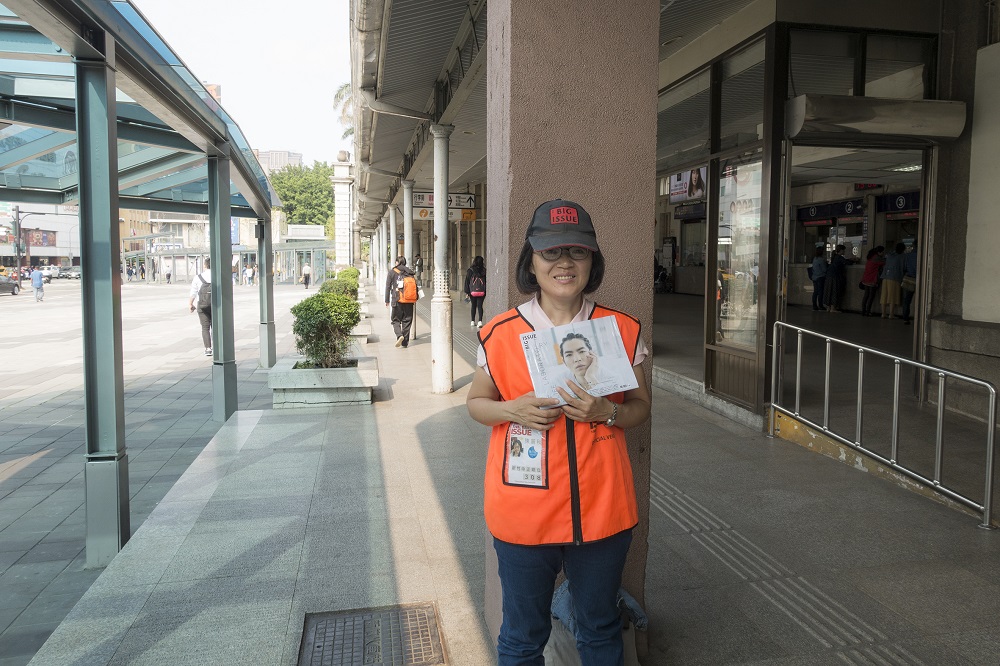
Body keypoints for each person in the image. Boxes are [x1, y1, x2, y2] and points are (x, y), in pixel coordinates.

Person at [466, 199, 652, 665]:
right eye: (551, 252)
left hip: (603, 509)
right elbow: (476, 404)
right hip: (523, 510)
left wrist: (607, 411)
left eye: (578, 252)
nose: (565, 263)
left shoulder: (620, 331)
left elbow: (640, 409)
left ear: (593, 260)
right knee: (521, 635)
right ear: (531, 260)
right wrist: (512, 409)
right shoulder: (500, 332)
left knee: (599, 627)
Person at [385, 256, 416, 348]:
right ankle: (405, 342)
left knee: (395, 320)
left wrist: (387, 300)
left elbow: (387, 287)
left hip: (397, 299)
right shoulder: (410, 272)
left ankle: (399, 335)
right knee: (407, 320)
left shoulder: (392, 272)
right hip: (409, 300)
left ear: (396, 262)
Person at [188, 258, 213, 357]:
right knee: (216, 327)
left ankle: (208, 349)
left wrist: (190, 304)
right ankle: (219, 347)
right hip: (216, 305)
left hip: (202, 304)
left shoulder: (198, 277)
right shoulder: (218, 275)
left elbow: (193, 292)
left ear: (205, 265)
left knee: (205, 327)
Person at [880, 242, 906, 319]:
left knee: (884, 295)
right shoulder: (902, 256)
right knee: (892, 296)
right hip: (895, 278)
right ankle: (891, 314)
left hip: (885, 277)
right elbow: (902, 268)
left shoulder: (889, 255)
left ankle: (883, 313)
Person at [860, 246, 885, 317]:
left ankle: (863, 311)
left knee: (866, 295)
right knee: (871, 296)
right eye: (882, 252)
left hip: (866, 278)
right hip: (872, 279)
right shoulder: (877, 258)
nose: (883, 253)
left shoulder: (870, 256)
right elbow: (885, 263)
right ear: (879, 252)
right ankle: (868, 311)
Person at [824, 244, 849, 313]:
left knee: (829, 291)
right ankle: (833, 308)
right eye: (844, 250)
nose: (844, 251)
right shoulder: (839, 257)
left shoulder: (834, 257)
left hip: (829, 276)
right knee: (834, 291)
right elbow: (846, 262)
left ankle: (828, 307)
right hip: (835, 276)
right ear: (841, 250)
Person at [465, 255, 487, 328]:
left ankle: (472, 321)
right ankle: (480, 321)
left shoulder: (470, 270)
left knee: (473, 306)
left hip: (472, 291)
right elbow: (486, 282)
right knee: (480, 306)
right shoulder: (484, 271)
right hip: (482, 291)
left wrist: (467, 292)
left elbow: (467, 281)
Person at [901, 243, 918, 325]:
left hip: (908, 278)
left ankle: (905, 318)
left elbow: (904, 267)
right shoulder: (922, 255)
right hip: (919, 279)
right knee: (920, 301)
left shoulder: (907, 255)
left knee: (906, 300)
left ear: (913, 246)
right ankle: (919, 318)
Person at [809, 247, 828, 311]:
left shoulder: (815, 259)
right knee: (820, 292)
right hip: (820, 277)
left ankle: (814, 305)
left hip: (814, 277)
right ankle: (820, 305)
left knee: (815, 292)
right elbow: (824, 269)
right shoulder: (821, 260)